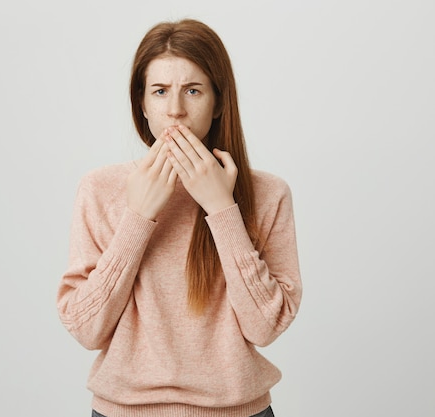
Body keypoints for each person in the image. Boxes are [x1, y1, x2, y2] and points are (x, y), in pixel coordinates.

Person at [57, 18, 302, 417]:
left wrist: (222, 210)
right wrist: (137, 217)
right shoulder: (100, 188)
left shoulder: (269, 193)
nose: (175, 110)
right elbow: (86, 329)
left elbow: (266, 327)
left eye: (193, 90)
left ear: (219, 101)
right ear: (142, 103)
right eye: (160, 91)